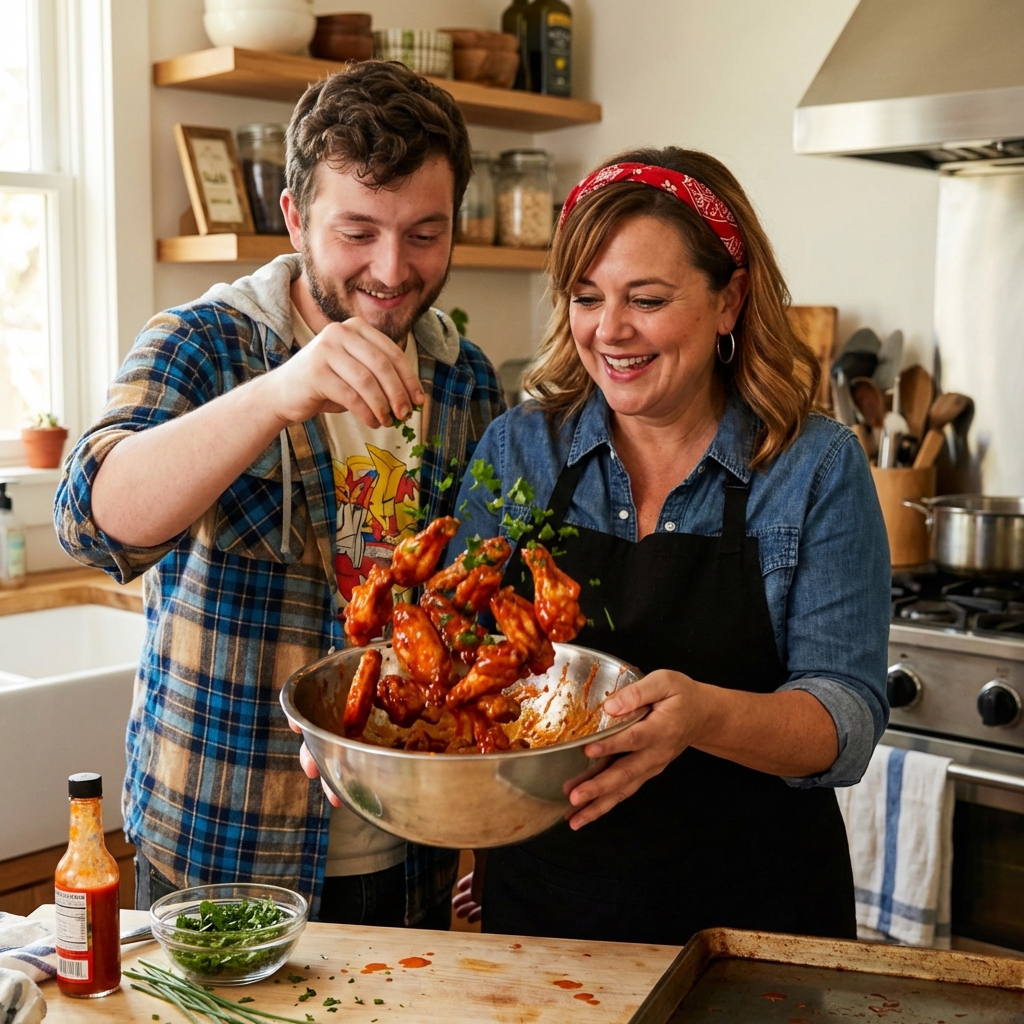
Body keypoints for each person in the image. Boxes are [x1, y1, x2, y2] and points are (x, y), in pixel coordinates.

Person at [54, 61, 505, 927]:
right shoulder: (202, 345)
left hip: (409, 846)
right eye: (358, 231)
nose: (392, 268)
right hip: (223, 846)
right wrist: (277, 395)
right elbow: (89, 519)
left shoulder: (467, 380)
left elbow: (476, 611)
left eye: (424, 234)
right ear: (296, 219)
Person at [448, 148, 890, 945]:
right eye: (586, 297)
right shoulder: (521, 452)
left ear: (730, 301)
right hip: (549, 917)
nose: (609, 331)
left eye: (646, 299)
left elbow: (845, 721)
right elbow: (459, 662)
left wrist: (702, 716)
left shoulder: (813, 467)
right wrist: (371, 738)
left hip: (755, 924)